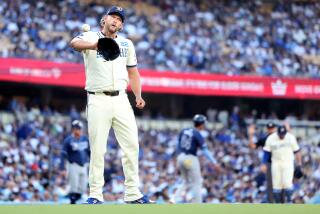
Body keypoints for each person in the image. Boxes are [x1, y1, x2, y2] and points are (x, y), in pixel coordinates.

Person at [69, 6, 152, 204]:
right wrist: (94, 45)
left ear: (122, 26)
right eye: (113, 17)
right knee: (98, 149)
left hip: (122, 99)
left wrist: (138, 95)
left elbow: (133, 72)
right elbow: (74, 43)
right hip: (97, 99)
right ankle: (95, 194)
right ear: (104, 19)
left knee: (132, 146)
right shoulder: (90, 36)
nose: (116, 20)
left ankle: (132, 193)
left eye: (119, 19)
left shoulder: (127, 44)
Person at [175, 114, 219, 203]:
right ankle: (198, 204)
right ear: (201, 124)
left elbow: (177, 145)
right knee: (197, 182)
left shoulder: (184, 130)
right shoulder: (197, 133)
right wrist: (214, 162)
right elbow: (205, 151)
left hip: (180, 157)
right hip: (190, 158)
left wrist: (178, 160)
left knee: (186, 181)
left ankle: (173, 199)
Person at [261, 125, 302, 203]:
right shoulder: (271, 138)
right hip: (276, 163)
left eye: (283, 134)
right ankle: (277, 203)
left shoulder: (290, 137)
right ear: (278, 133)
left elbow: (297, 151)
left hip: (288, 162)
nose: (282, 136)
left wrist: (299, 164)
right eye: (280, 134)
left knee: (287, 183)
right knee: (276, 185)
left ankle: (289, 201)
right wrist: (263, 163)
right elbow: (266, 152)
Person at [61, 120, 90, 204]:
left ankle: (71, 201)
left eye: (79, 128)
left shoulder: (85, 139)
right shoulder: (68, 140)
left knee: (83, 189)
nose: (78, 130)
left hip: (84, 165)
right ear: (73, 129)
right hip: (73, 165)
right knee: (74, 187)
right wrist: (62, 167)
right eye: (76, 128)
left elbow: (89, 152)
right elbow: (63, 154)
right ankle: (72, 203)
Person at [247, 122, 276, 203]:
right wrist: (251, 135)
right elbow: (253, 146)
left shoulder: (280, 137)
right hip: (270, 163)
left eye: (272, 128)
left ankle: (283, 202)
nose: (271, 130)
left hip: (280, 162)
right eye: (269, 129)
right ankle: (271, 203)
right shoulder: (265, 138)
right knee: (270, 184)